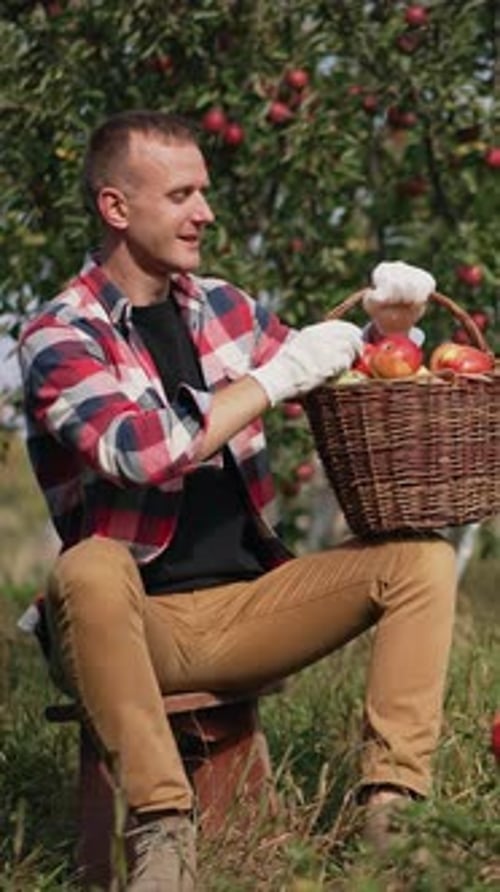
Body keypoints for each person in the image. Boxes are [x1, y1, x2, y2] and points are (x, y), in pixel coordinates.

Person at [19, 110, 457, 891]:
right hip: (130, 624)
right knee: (86, 565)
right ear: (116, 207)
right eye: (182, 195)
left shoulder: (228, 308)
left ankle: (394, 815)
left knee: (419, 560)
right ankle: (161, 829)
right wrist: (270, 378)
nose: (206, 212)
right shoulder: (57, 333)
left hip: (248, 609)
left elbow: (344, 378)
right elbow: (137, 451)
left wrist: (392, 331)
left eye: (205, 191)